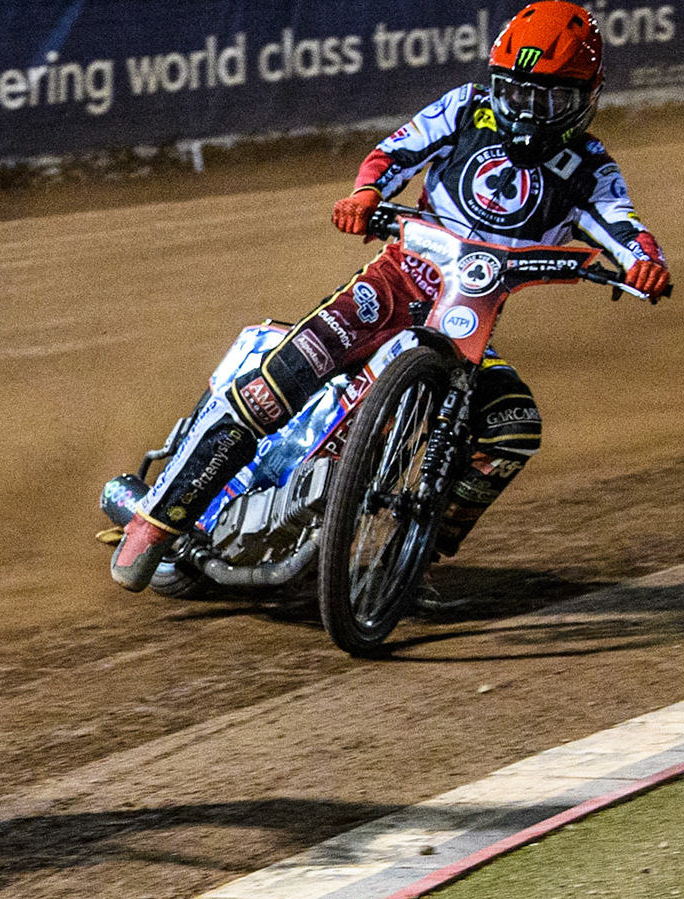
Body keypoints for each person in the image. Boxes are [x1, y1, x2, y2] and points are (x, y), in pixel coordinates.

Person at [109, 1, 670, 592]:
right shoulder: (466, 107)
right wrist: (365, 194)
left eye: (549, 99)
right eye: (515, 92)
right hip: (395, 284)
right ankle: (156, 522)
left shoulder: (591, 167)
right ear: (495, 81)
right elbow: (394, 151)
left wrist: (645, 263)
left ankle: (410, 557)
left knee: (514, 426)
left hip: (465, 325)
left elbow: (624, 224)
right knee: (278, 381)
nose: (528, 111)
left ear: (586, 97)